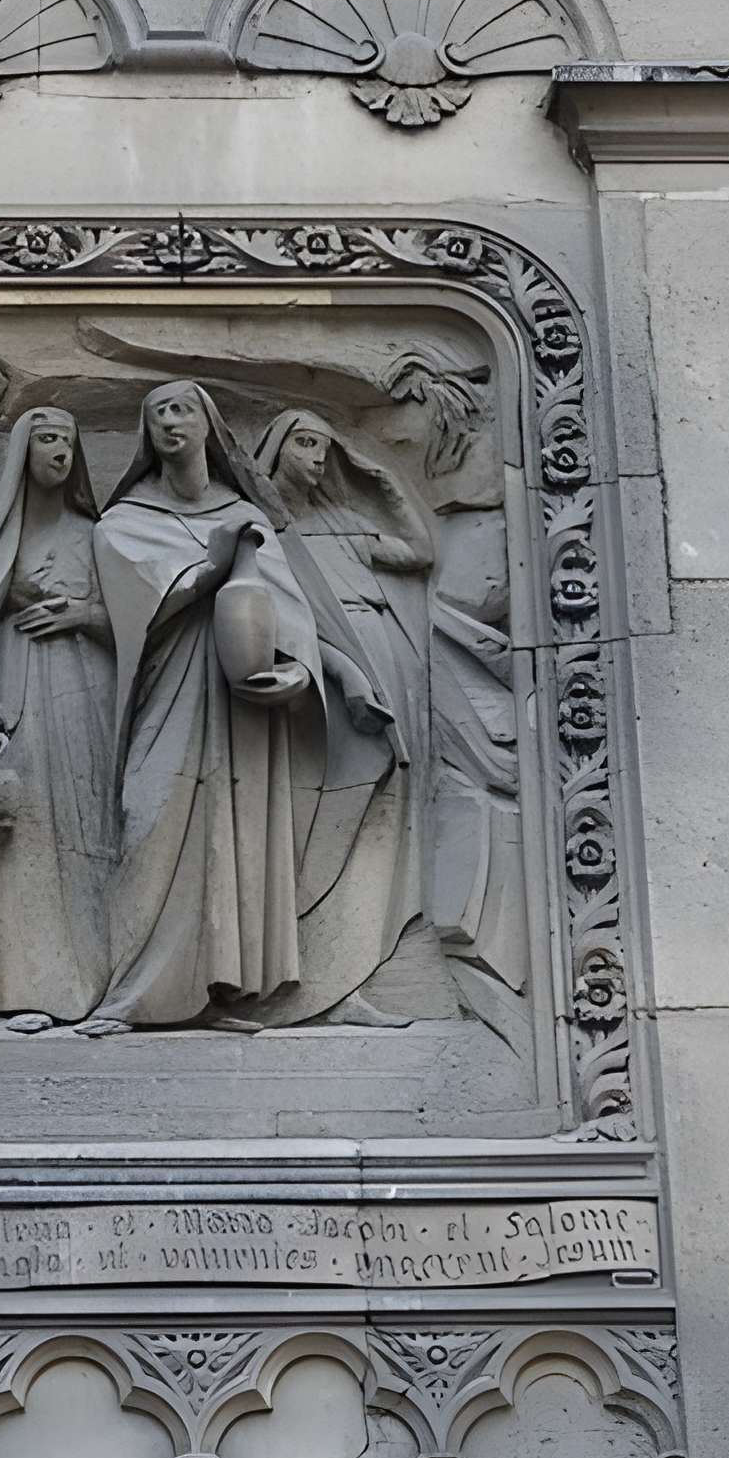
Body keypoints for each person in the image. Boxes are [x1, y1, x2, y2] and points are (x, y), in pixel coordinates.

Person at [88, 381, 398, 1030]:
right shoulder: (124, 522)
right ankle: (135, 995)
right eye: (158, 412)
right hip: (170, 697)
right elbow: (135, 608)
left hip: (244, 710)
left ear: (210, 426)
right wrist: (213, 567)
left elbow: (291, 613)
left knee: (245, 838)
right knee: (152, 820)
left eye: (183, 409)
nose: (171, 422)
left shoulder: (245, 516)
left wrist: (309, 670)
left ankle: (228, 991)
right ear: (146, 433)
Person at [0, 407, 114, 1025]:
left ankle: (95, 984)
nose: (59, 451)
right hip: (17, 688)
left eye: (68, 440)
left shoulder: (94, 534)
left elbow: (131, 623)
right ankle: (27, 988)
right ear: (24, 452)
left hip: (86, 693)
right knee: (18, 833)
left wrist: (83, 614)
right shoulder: (1, 538)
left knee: (88, 828)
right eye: (47, 438)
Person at [256, 409, 435, 1013]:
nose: (316, 457)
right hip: (319, 672)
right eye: (304, 443)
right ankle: (305, 976)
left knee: (380, 817)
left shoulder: (343, 521)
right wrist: (336, 667)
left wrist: (387, 485)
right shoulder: (264, 528)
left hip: (383, 657)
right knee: (321, 817)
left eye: (325, 449)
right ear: (276, 448)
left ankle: (349, 976)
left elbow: (418, 553)